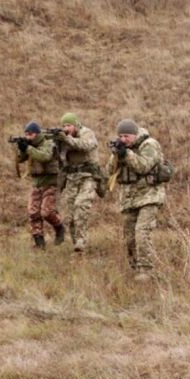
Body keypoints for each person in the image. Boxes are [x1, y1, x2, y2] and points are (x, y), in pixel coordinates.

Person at [106, 119, 166, 281]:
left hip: (149, 195)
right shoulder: (122, 148)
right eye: (120, 136)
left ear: (135, 134)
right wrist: (116, 154)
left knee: (142, 232)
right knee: (129, 236)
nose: (123, 139)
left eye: (126, 136)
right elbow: (110, 171)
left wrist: (126, 154)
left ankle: (146, 270)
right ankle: (134, 267)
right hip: (129, 198)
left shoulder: (149, 144)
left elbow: (143, 166)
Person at [14, 120, 65, 249]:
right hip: (37, 183)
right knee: (33, 212)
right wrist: (22, 149)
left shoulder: (48, 143)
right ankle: (39, 242)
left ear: (37, 134)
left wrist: (28, 148)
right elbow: (20, 159)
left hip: (51, 183)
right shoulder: (30, 145)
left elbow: (44, 156)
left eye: (30, 134)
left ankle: (59, 227)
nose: (28, 137)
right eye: (26, 134)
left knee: (46, 212)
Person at [57, 112, 100, 252]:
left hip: (88, 176)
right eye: (64, 126)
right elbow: (59, 159)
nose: (66, 128)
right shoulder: (64, 139)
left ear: (75, 125)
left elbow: (86, 146)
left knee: (81, 205)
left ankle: (81, 241)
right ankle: (77, 246)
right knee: (70, 214)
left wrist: (67, 139)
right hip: (72, 178)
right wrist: (57, 144)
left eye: (69, 125)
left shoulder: (87, 133)